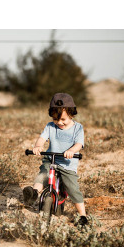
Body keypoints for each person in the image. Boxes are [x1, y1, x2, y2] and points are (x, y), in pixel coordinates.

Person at [23, 93, 88, 225]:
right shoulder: (50, 126)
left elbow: (79, 144)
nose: (59, 122)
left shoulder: (77, 128)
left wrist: (71, 151)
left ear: (72, 113)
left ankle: (82, 216)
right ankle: (34, 193)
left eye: (63, 119)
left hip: (67, 163)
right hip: (51, 159)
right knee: (42, 175)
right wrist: (38, 146)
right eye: (55, 119)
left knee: (72, 188)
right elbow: (42, 138)